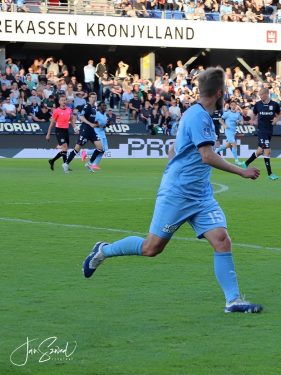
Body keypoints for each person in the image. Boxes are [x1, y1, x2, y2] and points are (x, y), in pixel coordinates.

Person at [82, 67, 263, 314]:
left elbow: (179, 149)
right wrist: (242, 171)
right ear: (219, 92)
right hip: (178, 193)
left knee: (222, 241)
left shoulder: (197, 115)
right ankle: (103, 251)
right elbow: (207, 155)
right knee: (151, 248)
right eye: (227, 90)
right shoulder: (199, 117)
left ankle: (233, 301)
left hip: (200, 194)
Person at [244, 87, 281, 180]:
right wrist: (252, 120)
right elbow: (253, 114)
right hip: (261, 130)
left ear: (266, 94)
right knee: (267, 150)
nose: (260, 96)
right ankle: (270, 174)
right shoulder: (258, 104)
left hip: (269, 131)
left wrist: (276, 119)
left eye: (261, 94)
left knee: (260, 151)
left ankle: (245, 164)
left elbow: (280, 115)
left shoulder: (274, 104)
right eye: (259, 95)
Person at [64, 92, 105, 173]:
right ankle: (66, 164)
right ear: (89, 98)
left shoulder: (94, 107)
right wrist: (90, 124)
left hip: (91, 130)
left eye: (95, 97)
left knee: (100, 148)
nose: (94, 99)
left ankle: (89, 163)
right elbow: (81, 117)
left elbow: (91, 118)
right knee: (77, 149)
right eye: (92, 97)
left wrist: (97, 123)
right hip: (85, 130)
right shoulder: (87, 106)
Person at [45, 95, 75, 171]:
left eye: (64, 100)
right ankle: (65, 165)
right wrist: (48, 134)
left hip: (66, 130)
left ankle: (54, 161)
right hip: (59, 130)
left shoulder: (69, 109)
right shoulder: (56, 111)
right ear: (59, 102)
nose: (63, 102)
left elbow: (71, 119)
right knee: (64, 147)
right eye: (62, 100)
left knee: (65, 149)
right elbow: (52, 123)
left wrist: (75, 127)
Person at [215, 99, 244, 166]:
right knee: (234, 144)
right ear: (230, 106)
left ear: (236, 106)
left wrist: (239, 122)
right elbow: (220, 120)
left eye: (234, 105)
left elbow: (242, 122)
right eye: (232, 105)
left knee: (227, 145)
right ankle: (236, 160)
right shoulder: (227, 113)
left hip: (233, 132)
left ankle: (215, 151)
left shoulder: (238, 114)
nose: (233, 106)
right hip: (228, 131)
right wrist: (224, 125)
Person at [82, 101, 109, 170]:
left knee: (103, 150)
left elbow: (104, 124)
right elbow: (93, 123)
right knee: (101, 148)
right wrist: (98, 124)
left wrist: (107, 124)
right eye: (103, 105)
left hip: (102, 133)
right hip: (97, 132)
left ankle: (94, 164)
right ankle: (86, 152)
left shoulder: (105, 114)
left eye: (105, 105)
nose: (104, 107)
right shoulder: (97, 114)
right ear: (99, 107)